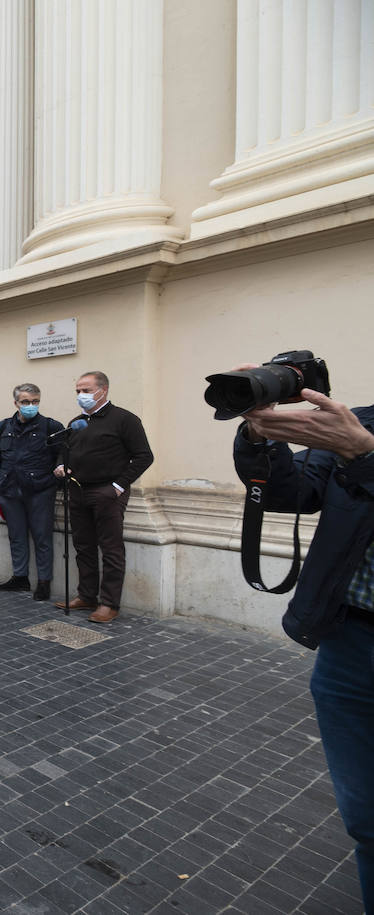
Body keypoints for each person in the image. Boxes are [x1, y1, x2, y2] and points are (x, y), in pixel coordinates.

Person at [232, 382, 374, 910]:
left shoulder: (357, 438)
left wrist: (364, 456)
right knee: (365, 817)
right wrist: (259, 434)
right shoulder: (350, 422)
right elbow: (293, 495)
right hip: (351, 641)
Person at [53, 371, 154, 623]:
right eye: (77, 391)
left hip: (107, 492)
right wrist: (61, 465)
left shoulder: (125, 419)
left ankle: (109, 603)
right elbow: (66, 451)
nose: (81, 395)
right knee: (83, 546)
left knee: (111, 549)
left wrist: (118, 486)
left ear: (103, 390)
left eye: (86, 390)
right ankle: (86, 595)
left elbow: (144, 456)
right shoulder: (77, 422)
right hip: (77, 490)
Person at [0, 384, 65, 601]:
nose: (31, 406)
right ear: (16, 403)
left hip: (40, 491)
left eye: (35, 401)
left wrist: (53, 482)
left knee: (42, 538)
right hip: (10, 490)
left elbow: (61, 456)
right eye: (25, 402)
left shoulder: (51, 426)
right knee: (16, 536)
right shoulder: (3, 426)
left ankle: (44, 582)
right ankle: (20, 577)